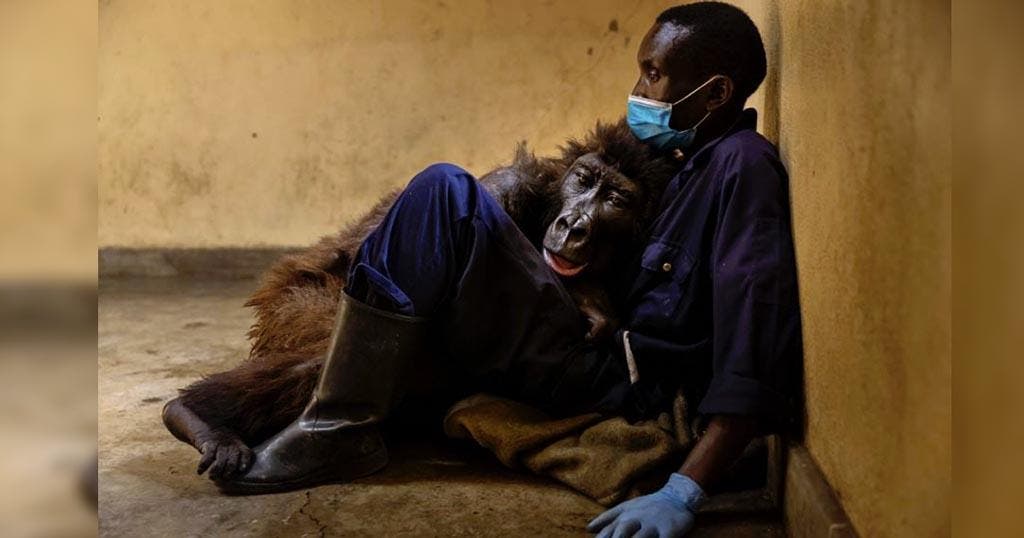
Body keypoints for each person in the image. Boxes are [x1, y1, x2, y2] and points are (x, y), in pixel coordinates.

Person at [218, 2, 802, 536]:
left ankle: (336, 429)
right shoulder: (684, 160)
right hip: (583, 340)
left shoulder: (742, 170)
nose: (638, 89)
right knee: (448, 199)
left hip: (607, 378)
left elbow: (754, 337)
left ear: (716, 92)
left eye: (652, 73)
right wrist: (589, 290)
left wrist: (684, 489)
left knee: (444, 191)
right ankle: (337, 409)